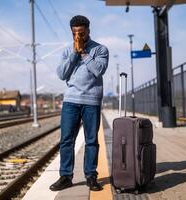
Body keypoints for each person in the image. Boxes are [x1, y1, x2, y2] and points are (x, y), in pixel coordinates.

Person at [49, 15, 109, 191]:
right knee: (66, 141)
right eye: (75, 33)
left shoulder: (100, 49)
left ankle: (91, 176)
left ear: (88, 31)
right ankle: (65, 176)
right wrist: (75, 53)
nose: (78, 36)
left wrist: (83, 53)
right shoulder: (68, 51)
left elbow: (98, 70)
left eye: (81, 32)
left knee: (91, 141)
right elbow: (62, 74)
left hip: (91, 101)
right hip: (71, 101)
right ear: (71, 32)